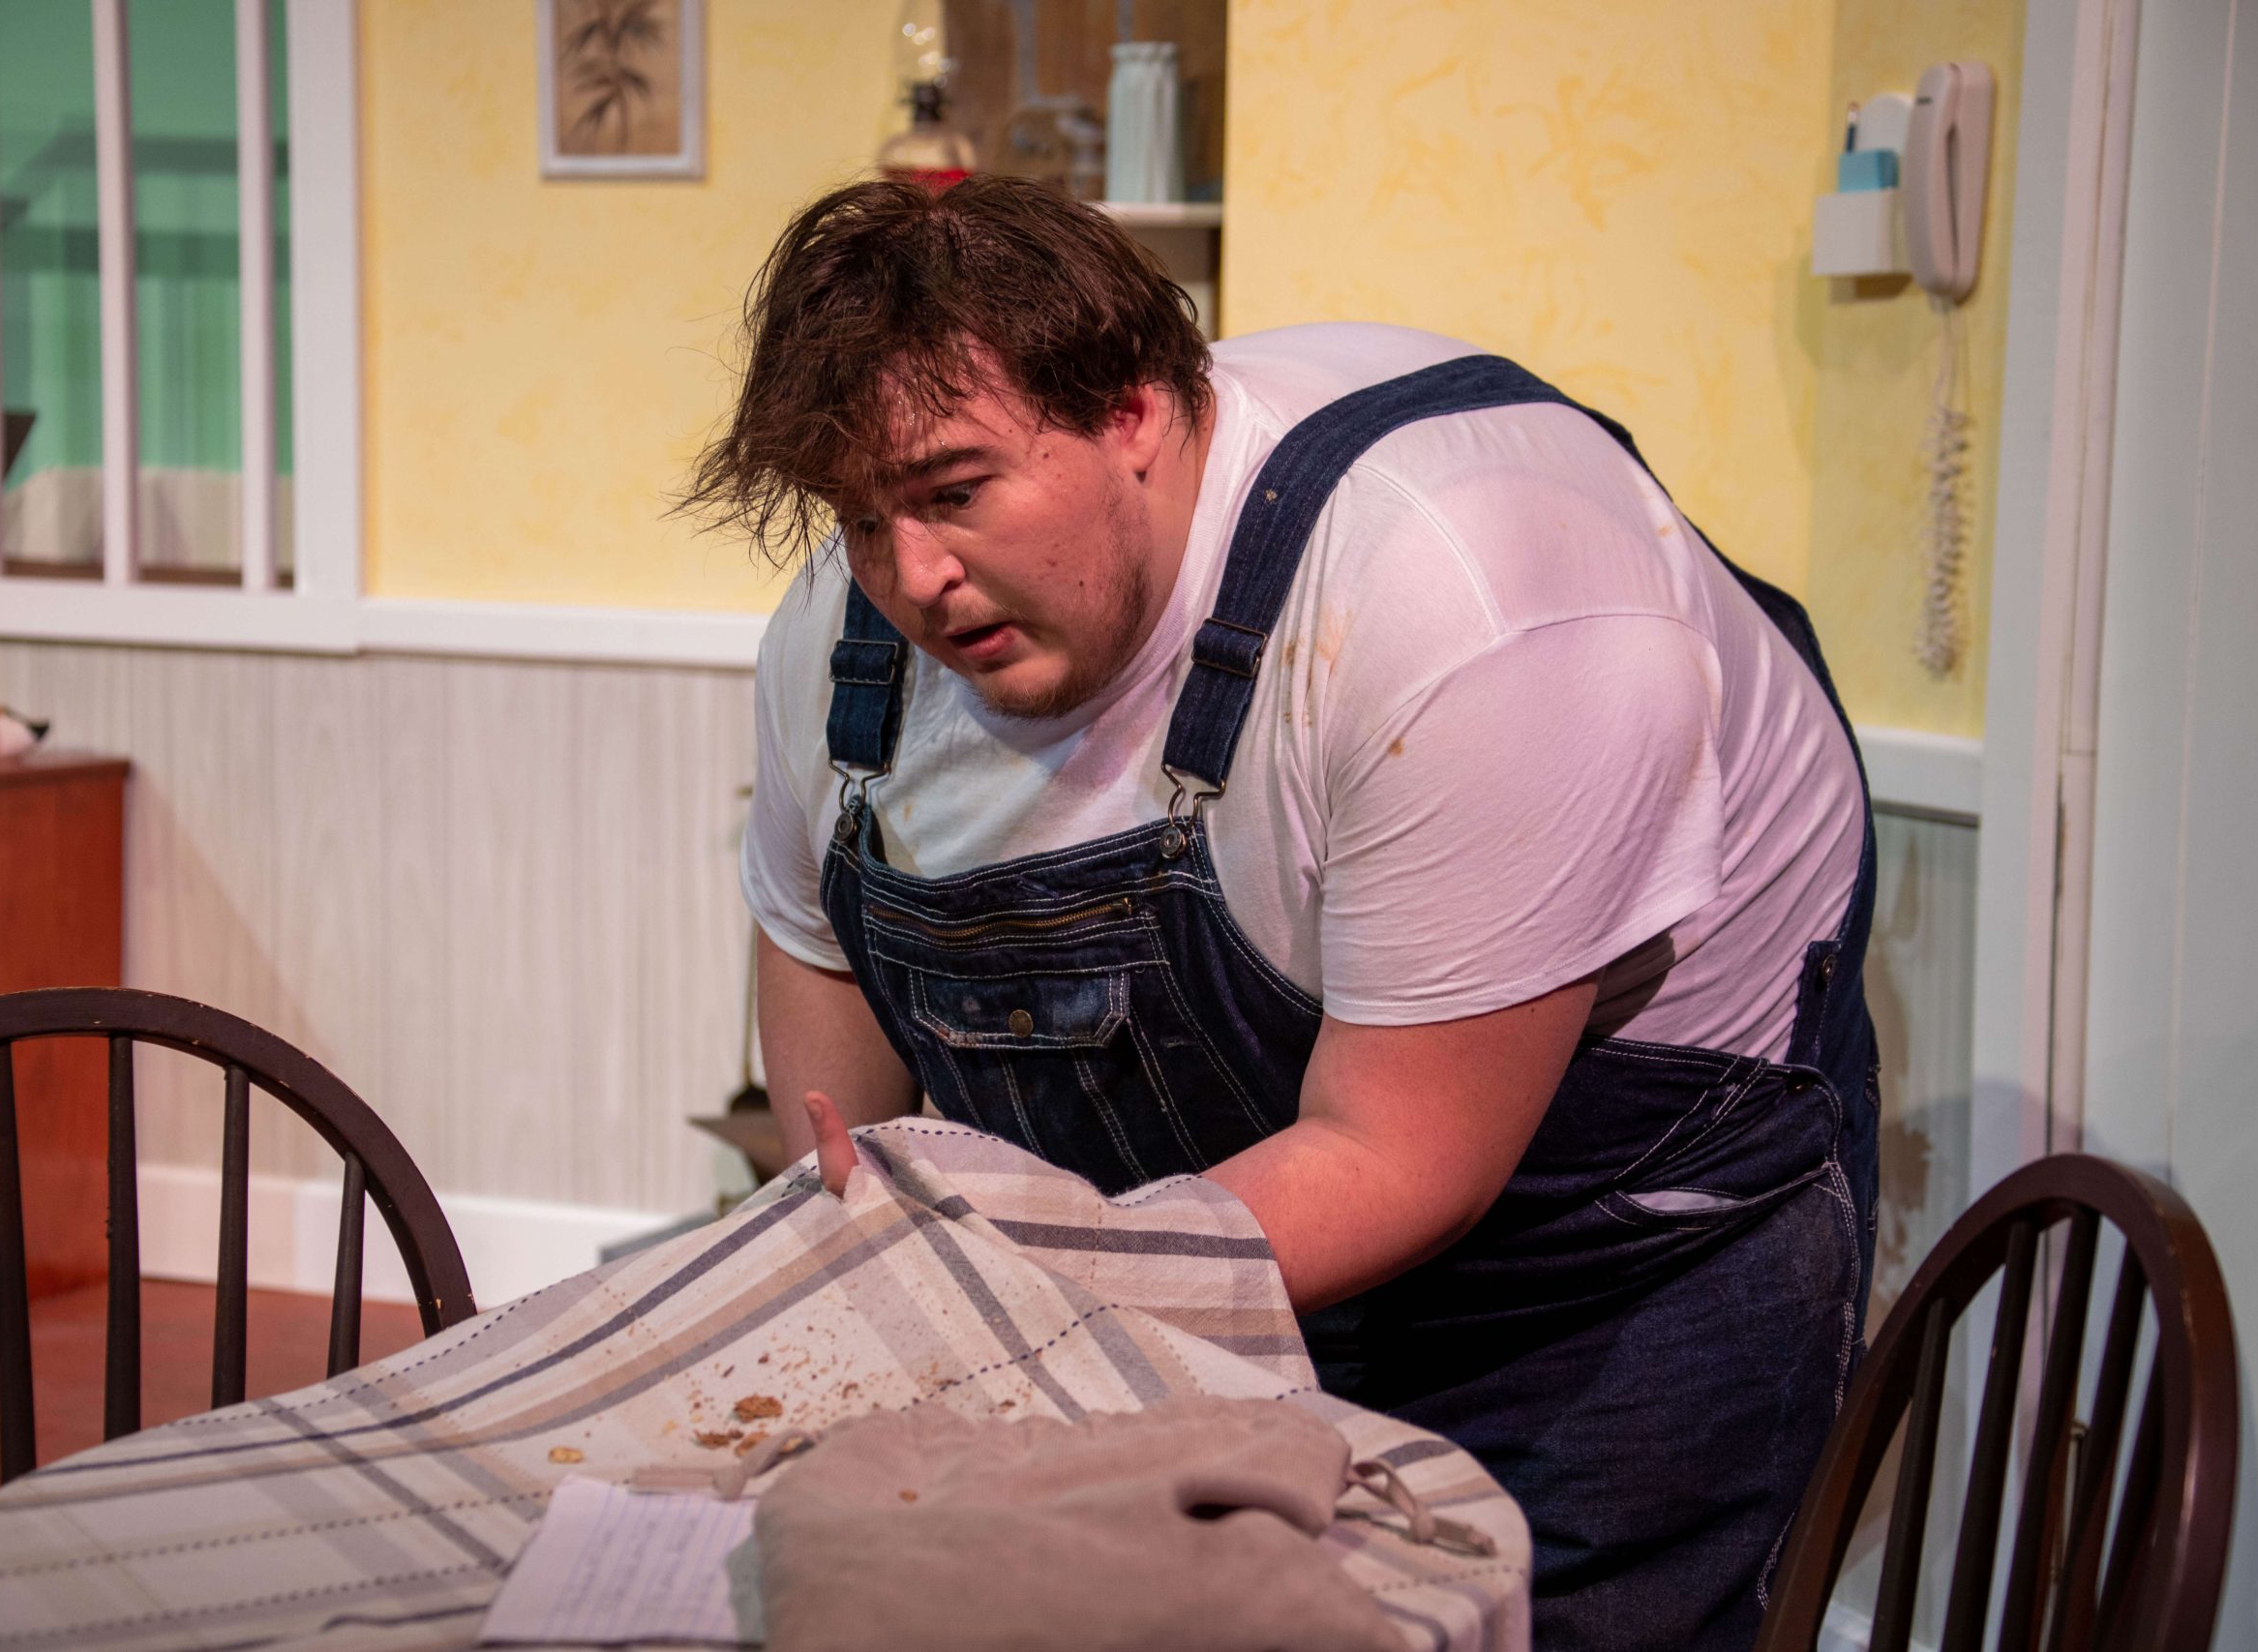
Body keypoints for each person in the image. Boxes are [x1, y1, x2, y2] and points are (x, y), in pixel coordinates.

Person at [695, 175, 1878, 1652]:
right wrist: (856, 1269)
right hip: (1207, 1236)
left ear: (1134, 407)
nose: (910, 579)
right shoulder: (844, 635)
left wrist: (1002, 1292)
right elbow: (824, 1002)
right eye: (862, 518)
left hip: (1600, 1244)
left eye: (953, 491)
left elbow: (1397, 1152)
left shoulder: (1462, 601)